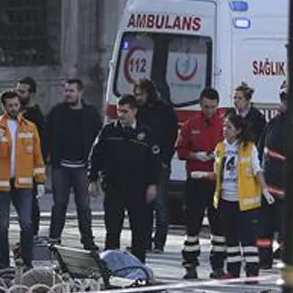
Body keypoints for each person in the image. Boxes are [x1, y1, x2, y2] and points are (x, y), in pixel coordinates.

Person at [0, 89, 47, 269]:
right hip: (2, 184)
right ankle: (3, 264)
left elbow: (37, 157)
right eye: (11, 106)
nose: (15, 108)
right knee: (3, 225)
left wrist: (40, 180)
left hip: (23, 183)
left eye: (17, 105)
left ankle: (27, 262)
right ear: (4, 106)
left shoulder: (29, 127)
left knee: (26, 223)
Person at [88, 94, 159, 263]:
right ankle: (111, 267)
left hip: (138, 188)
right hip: (114, 187)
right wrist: (92, 180)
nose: (121, 115)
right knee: (112, 230)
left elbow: (154, 162)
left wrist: (153, 185)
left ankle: (138, 268)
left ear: (134, 111)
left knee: (140, 231)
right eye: (119, 111)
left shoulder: (145, 133)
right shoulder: (108, 131)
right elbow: (95, 156)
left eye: (125, 111)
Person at [213, 114, 274, 279]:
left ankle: (252, 272)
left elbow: (257, 170)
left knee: (248, 240)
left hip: (246, 203)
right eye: (224, 126)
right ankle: (233, 271)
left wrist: (265, 190)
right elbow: (217, 173)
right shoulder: (220, 148)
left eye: (229, 127)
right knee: (231, 239)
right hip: (226, 200)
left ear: (238, 130)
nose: (225, 130)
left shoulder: (249, 147)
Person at [175, 87, 226, 280]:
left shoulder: (222, 125)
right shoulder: (190, 124)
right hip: (195, 180)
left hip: (216, 181)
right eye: (206, 107)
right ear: (200, 104)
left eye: (213, 107)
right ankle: (190, 264)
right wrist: (195, 154)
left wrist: (217, 155)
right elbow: (180, 151)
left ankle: (218, 266)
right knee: (192, 227)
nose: (210, 111)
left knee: (219, 227)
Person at [46, 78, 102, 250]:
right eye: (66, 91)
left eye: (71, 91)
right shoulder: (57, 112)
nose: (68, 94)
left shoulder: (91, 113)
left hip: (82, 167)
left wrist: (96, 168)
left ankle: (87, 240)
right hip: (61, 166)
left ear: (80, 92)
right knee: (59, 204)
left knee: (84, 206)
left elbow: (99, 140)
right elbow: (47, 136)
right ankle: (54, 238)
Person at [133, 79, 178, 253]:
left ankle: (159, 242)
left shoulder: (164, 111)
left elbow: (172, 135)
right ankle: (143, 241)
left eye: (141, 94)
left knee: (160, 204)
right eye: (136, 94)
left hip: (160, 163)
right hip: (140, 165)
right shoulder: (137, 111)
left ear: (149, 93)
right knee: (143, 204)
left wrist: (165, 158)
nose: (138, 98)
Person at [257, 81, 292, 270]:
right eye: (282, 98)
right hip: (269, 183)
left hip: (287, 184)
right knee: (264, 226)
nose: (283, 102)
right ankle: (264, 259)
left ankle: (286, 259)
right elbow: (261, 149)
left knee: (286, 227)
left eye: (287, 99)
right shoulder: (273, 123)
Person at [16, 76, 46, 240]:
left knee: (30, 204)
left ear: (31, 94)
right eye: (17, 90)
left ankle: (31, 235)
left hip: (29, 167)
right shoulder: (15, 112)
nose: (18, 94)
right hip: (15, 166)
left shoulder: (36, 117)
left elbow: (41, 146)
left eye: (22, 91)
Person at [226, 81, 267, 146]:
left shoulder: (257, 117)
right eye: (235, 98)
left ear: (248, 100)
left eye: (240, 98)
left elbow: (262, 139)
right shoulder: (230, 114)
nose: (236, 101)